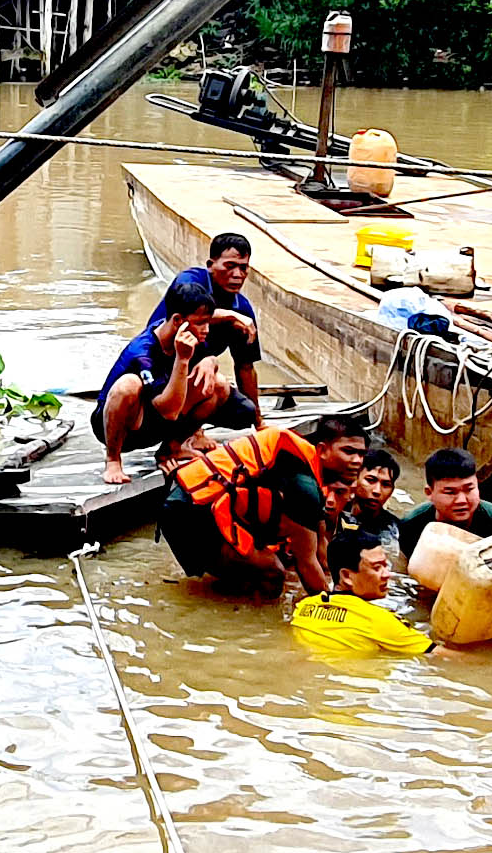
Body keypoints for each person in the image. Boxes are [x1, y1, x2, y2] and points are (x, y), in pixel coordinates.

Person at [161, 412, 369, 595]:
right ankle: (248, 627)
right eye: (349, 451)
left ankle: (234, 595)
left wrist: (333, 579)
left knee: (262, 571)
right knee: (273, 573)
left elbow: (319, 543)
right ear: (322, 450)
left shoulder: (303, 465)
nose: (357, 461)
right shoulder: (304, 486)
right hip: (190, 514)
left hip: (194, 504)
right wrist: (330, 605)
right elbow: (306, 563)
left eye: (362, 454)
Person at [93, 277, 249, 484]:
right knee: (128, 385)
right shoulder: (143, 353)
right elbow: (167, 410)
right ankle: (113, 460)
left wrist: (210, 361)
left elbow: (206, 361)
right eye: (201, 323)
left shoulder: (191, 334)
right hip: (126, 426)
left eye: (207, 322)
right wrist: (183, 359)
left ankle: (173, 448)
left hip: (160, 418)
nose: (207, 330)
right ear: (177, 321)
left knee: (218, 384)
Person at [146, 233, 265, 431]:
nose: (237, 275)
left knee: (244, 412)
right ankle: (182, 438)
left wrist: (259, 422)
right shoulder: (189, 281)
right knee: (208, 380)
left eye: (243, 268)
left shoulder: (242, 310)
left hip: (197, 374)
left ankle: (192, 428)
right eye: (230, 266)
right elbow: (187, 315)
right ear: (211, 265)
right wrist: (229, 316)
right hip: (163, 369)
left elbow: (245, 367)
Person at [290, 531, 437, 655]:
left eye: (386, 566)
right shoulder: (380, 621)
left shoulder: (303, 608)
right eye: (377, 567)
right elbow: (444, 657)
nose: (387, 574)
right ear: (347, 576)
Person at [397, 448, 492, 550]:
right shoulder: (410, 527)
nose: (461, 500)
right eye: (450, 492)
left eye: (469, 489)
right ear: (429, 493)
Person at [350, 448, 402, 553]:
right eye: (370, 480)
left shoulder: (396, 530)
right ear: (355, 479)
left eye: (386, 485)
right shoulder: (333, 514)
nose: (377, 491)